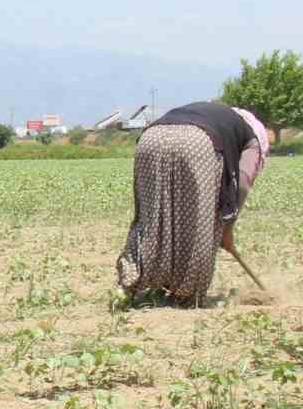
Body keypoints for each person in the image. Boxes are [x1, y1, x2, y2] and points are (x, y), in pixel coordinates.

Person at [115, 101, 270, 304]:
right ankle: (188, 294)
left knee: (151, 216)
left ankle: (129, 284)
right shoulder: (254, 140)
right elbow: (242, 184)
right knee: (200, 221)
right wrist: (227, 227)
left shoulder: (218, 115)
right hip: (198, 142)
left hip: (150, 138)